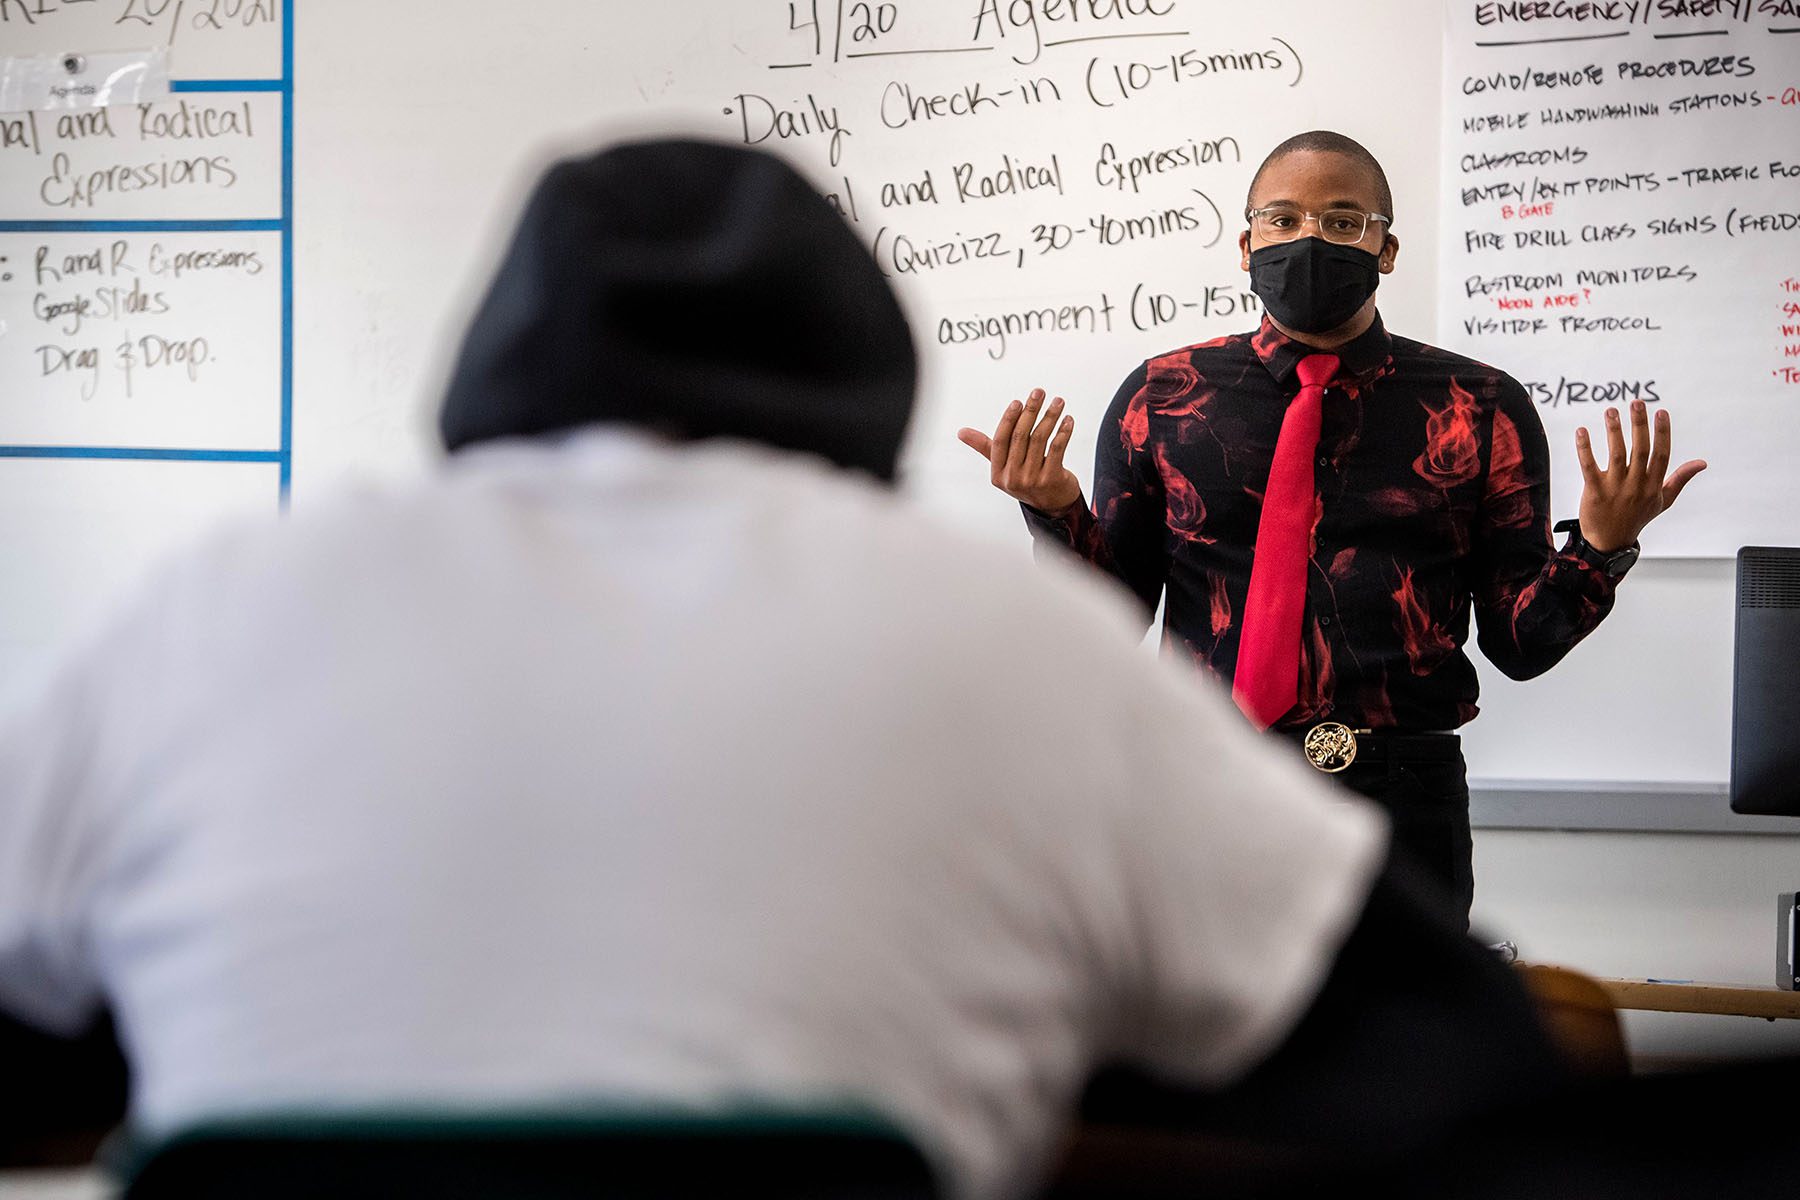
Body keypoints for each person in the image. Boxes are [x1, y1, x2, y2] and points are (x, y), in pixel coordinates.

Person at [0, 139, 1565, 1199]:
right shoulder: (1008, 645)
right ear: (865, 369)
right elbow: (1459, 1068)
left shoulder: (217, 608)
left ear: (488, 357)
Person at [958, 130, 1704, 922]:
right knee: (1208, 1041)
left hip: (1401, 799)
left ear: (1385, 249)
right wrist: (1054, 511)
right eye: (1282, 220)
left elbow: (1520, 646)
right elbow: (1112, 620)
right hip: (1199, 785)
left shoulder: (1478, 404)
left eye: (1344, 222)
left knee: (1403, 1038)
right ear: (1245, 244)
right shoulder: (1163, 396)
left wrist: (1601, 546)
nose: (1309, 239)